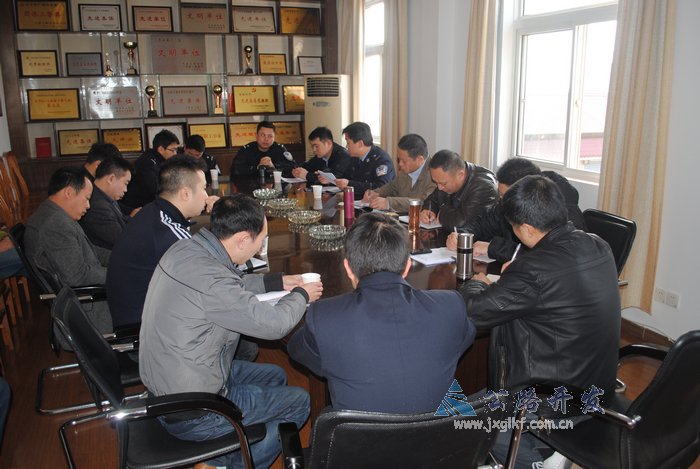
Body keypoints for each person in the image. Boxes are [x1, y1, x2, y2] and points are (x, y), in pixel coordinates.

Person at [139, 194, 323, 469]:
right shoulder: (213, 280)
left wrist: (277, 282)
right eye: (261, 239)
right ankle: (229, 463)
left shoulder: (187, 249)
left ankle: (224, 451)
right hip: (195, 409)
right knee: (300, 401)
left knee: (275, 375)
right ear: (242, 239)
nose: (261, 246)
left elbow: (227, 286)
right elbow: (273, 325)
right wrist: (301, 295)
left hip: (173, 384)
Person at [458, 175, 620, 468]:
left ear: (528, 229)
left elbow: (473, 311)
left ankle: (532, 461)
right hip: (596, 385)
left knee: (460, 422)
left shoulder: (533, 270)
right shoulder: (597, 244)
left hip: (552, 397)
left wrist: (477, 283)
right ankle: (551, 450)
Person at [288, 212, 475, 413]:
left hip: (358, 433)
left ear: (348, 268)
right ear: (407, 267)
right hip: (441, 431)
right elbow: (462, 340)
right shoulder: (450, 306)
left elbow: (297, 351)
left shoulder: (325, 317)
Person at [106, 156, 216, 329]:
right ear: (185, 193)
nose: (207, 196)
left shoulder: (153, 212)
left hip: (140, 313)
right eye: (203, 188)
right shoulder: (168, 232)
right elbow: (212, 279)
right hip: (148, 328)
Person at [24, 167, 112, 333]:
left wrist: (121, 259)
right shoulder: (56, 223)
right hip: (89, 307)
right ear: (69, 192)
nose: (88, 206)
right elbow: (78, 276)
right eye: (86, 198)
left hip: (84, 299)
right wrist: (119, 273)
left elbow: (91, 251)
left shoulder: (54, 213)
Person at [446, 157, 587, 261]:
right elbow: (484, 221)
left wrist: (493, 248)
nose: (501, 201)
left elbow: (550, 258)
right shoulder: (508, 202)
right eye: (500, 195)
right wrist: (462, 235)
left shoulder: (564, 213)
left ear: (522, 191)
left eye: (505, 195)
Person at [420, 150, 498, 231]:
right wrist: (428, 210)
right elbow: (432, 199)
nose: (439, 188)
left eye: (443, 183)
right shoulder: (446, 178)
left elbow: (462, 223)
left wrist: (442, 214)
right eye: (436, 182)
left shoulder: (483, 187)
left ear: (461, 175)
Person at [318, 122, 395, 199]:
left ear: (360, 144)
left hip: (376, 203)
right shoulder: (354, 157)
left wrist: (349, 184)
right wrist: (331, 180)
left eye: (348, 143)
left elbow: (381, 187)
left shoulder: (381, 160)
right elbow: (346, 177)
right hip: (357, 201)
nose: (346, 146)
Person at [361, 133, 436, 212]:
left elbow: (423, 202)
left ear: (419, 159)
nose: (400, 164)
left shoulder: (434, 174)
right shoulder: (406, 169)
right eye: (398, 159)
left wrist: (389, 203)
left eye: (404, 161)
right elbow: (393, 187)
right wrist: (376, 193)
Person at [79, 157, 133, 250]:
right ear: (111, 179)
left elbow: (121, 220)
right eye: (125, 183)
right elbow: (122, 238)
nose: (126, 190)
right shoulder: (97, 205)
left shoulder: (105, 196)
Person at [121, 129, 180, 210]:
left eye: (176, 150)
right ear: (161, 149)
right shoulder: (147, 162)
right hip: (137, 207)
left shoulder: (160, 160)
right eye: (173, 150)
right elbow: (155, 189)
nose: (175, 153)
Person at [230, 121, 296, 177]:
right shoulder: (247, 149)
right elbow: (234, 169)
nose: (266, 139)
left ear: (274, 137)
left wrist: (274, 167)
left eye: (270, 136)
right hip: (251, 186)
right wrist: (257, 167)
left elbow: (293, 167)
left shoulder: (279, 149)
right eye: (263, 135)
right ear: (256, 136)